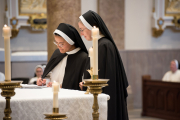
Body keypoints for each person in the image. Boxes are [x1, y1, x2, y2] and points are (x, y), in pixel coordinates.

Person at [78, 10, 129, 120]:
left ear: (92, 27)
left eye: (82, 30)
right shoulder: (100, 45)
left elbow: (105, 76)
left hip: (104, 98)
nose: (81, 34)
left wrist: (89, 85)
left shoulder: (103, 46)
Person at [37, 23, 88, 90]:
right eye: (56, 43)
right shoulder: (57, 53)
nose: (58, 46)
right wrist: (43, 81)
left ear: (71, 41)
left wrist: (59, 86)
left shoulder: (82, 57)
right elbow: (49, 76)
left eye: (61, 44)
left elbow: (80, 84)